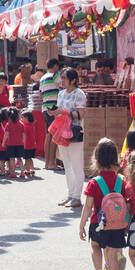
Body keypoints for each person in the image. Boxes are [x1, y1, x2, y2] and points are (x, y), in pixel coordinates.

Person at [79, 138, 128, 270]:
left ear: (97, 159)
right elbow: (127, 204)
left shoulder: (94, 182)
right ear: (116, 159)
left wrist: (81, 225)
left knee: (95, 246)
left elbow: (87, 206)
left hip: (98, 223)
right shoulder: (121, 181)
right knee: (112, 255)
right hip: (117, 225)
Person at [56, 67, 87, 208]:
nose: (61, 80)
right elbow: (59, 112)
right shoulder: (61, 93)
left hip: (74, 132)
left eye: (64, 78)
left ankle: (77, 196)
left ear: (73, 80)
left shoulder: (79, 94)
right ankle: (70, 194)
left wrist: (65, 111)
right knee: (67, 165)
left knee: (76, 164)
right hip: (62, 131)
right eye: (61, 78)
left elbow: (81, 114)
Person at [41, 58, 62, 171]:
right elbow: (64, 85)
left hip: (45, 107)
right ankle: (51, 163)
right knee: (53, 135)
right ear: (55, 66)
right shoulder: (54, 76)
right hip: (53, 108)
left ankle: (47, 163)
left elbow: (41, 94)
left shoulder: (43, 78)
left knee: (48, 135)